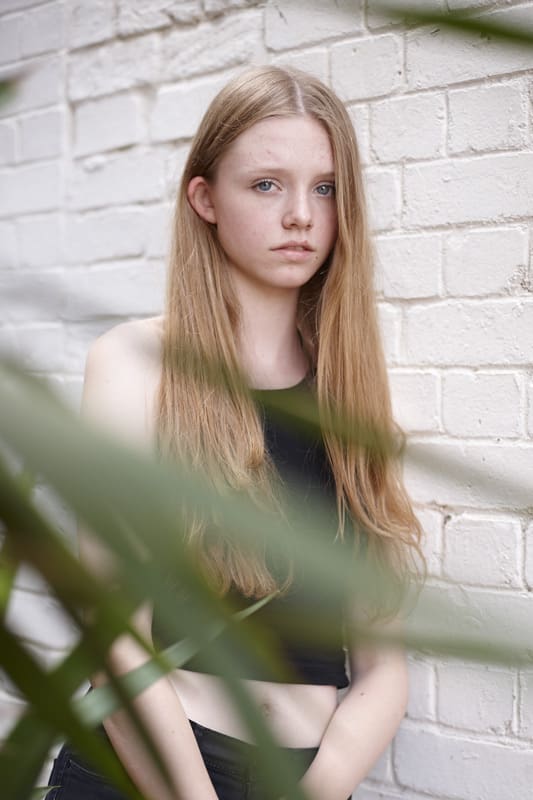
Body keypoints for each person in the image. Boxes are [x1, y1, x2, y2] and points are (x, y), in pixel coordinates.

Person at [45, 65, 423, 800]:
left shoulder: (355, 404)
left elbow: (384, 670)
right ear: (205, 198)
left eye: (325, 187)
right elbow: (114, 638)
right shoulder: (137, 364)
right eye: (266, 184)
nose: (301, 216)